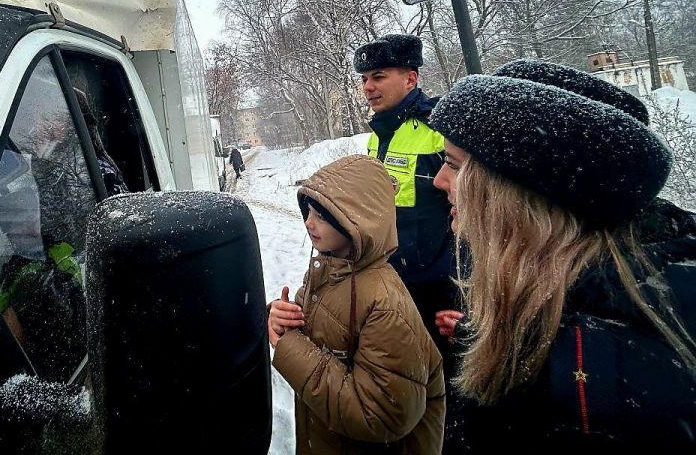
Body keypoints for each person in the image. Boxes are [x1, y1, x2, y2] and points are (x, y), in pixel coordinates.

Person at [428, 63, 696, 451]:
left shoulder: (605, 376)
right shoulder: (564, 292)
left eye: (454, 165)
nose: (439, 180)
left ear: (522, 195)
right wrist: (484, 332)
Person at [268, 155, 445, 454]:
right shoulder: (330, 270)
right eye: (308, 211)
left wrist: (289, 347)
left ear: (357, 220)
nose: (308, 222)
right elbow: (312, 321)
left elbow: (381, 415)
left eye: (322, 215)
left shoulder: (385, 305)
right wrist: (280, 317)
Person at [353, 34, 458, 368]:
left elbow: (477, 216)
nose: (368, 87)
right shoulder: (378, 137)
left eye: (378, 76)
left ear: (410, 79)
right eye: (364, 79)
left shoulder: (439, 130)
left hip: (441, 292)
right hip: (393, 283)